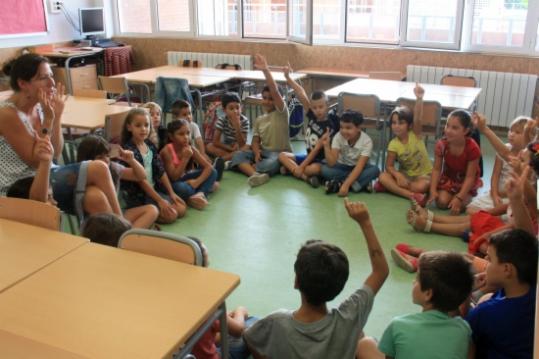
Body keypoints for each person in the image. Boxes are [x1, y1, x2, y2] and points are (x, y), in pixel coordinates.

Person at [243, 199, 389, 359]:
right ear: (339, 287)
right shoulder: (349, 317)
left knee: (250, 321)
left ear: (296, 282)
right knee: (363, 337)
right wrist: (365, 222)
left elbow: (249, 338)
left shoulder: (276, 322)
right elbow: (380, 272)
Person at [0, 53, 123, 219]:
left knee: (95, 198)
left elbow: (56, 153)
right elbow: (37, 161)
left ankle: (114, 236)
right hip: (18, 186)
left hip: (46, 175)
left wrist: (56, 117)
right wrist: (49, 119)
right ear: (23, 83)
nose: (52, 83)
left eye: (51, 76)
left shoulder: (40, 106)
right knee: (99, 168)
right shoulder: (7, 113)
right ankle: (123, 226)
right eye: (43, 78)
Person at [357, 251, 474, 359]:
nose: (413, 282)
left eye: (417, 279)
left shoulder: (399, 325)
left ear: (428, 294)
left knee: (365, 343)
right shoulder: (463, 329)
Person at [465, 229, 538, 358]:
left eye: (490, 258)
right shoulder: (533, 292)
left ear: (507, 270)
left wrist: (466, 291)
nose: (485, 261)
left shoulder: (486, 312)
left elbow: (458, 329)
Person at [230, 54, 291, 187]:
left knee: (271, 163)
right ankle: (256, 174)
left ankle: (250, 169)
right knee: (237, 155)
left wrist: (265, 70)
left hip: (280, 153)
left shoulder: (282, 112)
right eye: (264, 98)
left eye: (271, 98)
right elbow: (255, 141)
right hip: (264, 153)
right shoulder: (259, 119)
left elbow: (274, 90)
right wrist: (257, 152)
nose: (268, 101)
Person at [120, 108, 186, 224]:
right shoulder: (129, 150)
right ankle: (150, 216)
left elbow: (160, 170)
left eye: (146, 125)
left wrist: (171, 193)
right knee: (172, 216)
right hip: (140, 196)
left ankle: (157, 211)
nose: (143, 129)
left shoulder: (149, 145)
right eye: (138, 125)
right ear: (129, 127)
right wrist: (160, 200)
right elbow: (141, 181)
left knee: (182, 208)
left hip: (154, 190)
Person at [77, 135, 159, 229]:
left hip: (117, 214)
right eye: (100, 157)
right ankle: (126, 235)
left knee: (152, 210)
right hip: (99, 221)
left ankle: (126, 236)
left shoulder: (112, 167)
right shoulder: (85, 176)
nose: (106, 160)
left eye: (107, 155)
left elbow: (141, 176)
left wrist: (131, 160)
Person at [278, 64, 340, 188]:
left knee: (315, 169)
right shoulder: (312, 115)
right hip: (307, 156)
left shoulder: (329, 126)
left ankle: (294, 171)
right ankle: (305, 178)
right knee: (282, 155)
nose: (318, 110)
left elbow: (317, 150)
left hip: (318, 161)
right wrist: (287, 77)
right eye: (315, 107)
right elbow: (300, 92)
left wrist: (301, 166)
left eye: (321, 107)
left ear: (327, 105)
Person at [375, 83, 432, 206]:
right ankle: (411, 195)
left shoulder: (415, 134)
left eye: (401, 123)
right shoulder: (393, 144)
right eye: (394, 123)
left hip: (423, 176)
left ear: (409, 125)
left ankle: (392, 188)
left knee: (425, 185)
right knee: (383, 176)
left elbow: (418, 118)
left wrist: (419, 98)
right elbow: (389, 166)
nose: (396, 126)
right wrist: (398, 175)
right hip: (405, 177)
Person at [467, 116, 530, 215]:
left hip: (513, 198)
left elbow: (506, 155)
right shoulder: (506, 148)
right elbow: (496, 175)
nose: (512, 134)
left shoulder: (531, 155)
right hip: (496, 195)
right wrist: (495, 195)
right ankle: (491, 218)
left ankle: (491, 218)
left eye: (517, 132)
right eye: (510, 130)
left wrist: (485, 129)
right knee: (470, 209)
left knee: (507, 215)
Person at [428, 109, 482, 214]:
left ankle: (466, 195)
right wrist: (433, 189)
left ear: (466, 131)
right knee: (442, 203)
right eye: (447, 125)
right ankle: (452, 194)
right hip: (450, 178)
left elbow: (470, 177)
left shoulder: (473, 148)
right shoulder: (441, 144)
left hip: (466, 180)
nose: (448, 130)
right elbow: (436, 169)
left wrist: (459, 197)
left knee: (459, 207)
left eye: (455, 128)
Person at [160, 119, 217, 210]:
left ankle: (199, 194)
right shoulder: (167, 151)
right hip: (169, 184)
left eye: (188, 133)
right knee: (183, 189)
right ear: (171, 136)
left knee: (213, 172)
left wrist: (196, 182)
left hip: (183, 179)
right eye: (181, 134)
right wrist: (185, 158)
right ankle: (198, 192)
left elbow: (208, 167)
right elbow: (173, 177)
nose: (186, 137)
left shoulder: (190, 148)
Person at [321, 110, 381, 196]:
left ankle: (339, 184)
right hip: (342, 167)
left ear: (359, 128)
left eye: (348, 128)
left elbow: (359, 167)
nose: (344, 131)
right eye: (341, 127)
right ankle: (358, 185)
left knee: (375, 170)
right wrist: (326, 146)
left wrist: (345, 185)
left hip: (359, 169)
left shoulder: (367, 141)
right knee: (324, 169)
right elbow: (331, 163)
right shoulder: (338, 137)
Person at [171, 99, 225, 181]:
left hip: (194, 155)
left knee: (205, 163)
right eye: (184, 114)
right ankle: (211, 176)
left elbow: (199, 140)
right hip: (181, 160)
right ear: (175, 117)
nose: (188, 116)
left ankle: (210, 173)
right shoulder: (173, 129)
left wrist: (203, 154)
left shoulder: (193, 125)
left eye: (190, 113)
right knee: (205, 169)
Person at [206, 92, 249, 162]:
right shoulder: (222, 120)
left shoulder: (244, 121)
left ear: (241, 108)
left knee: (247, 147)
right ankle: (232, 159)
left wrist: (237, 127)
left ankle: (222, 160)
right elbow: (215, 141)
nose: (235, 111)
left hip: (239, 147)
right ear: (224, 110)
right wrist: (230, 149)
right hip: (227, 147)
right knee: (209, 146)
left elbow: (242, 144)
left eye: (237, 108)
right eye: (231, 108)